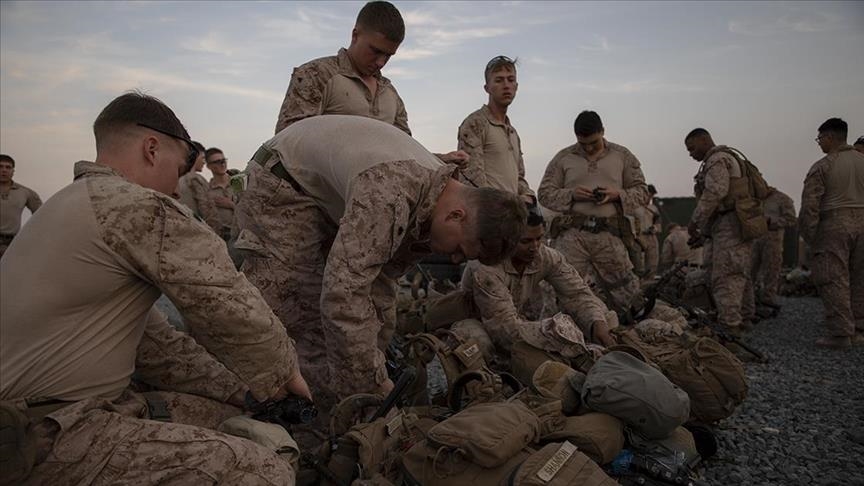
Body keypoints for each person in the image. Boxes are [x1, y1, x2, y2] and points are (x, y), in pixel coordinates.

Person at [0, 92, 310, 484]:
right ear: (151, 149)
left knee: (237, 419)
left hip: (47, 419)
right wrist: (285, 376)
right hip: (43, 436)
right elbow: (229, 303)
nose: (177, 189)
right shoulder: (134, 206)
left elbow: (157, 349)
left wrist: (245, 394)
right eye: (179, 170)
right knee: (265, 472)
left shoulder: (72, 205)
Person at [234, 115, 526, 415]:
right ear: (456, 216)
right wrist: (370, 389)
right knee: (301, 317)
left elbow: (379, 285)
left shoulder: (432, 201)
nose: (454, 260)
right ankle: (299, 422)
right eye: (460, 251)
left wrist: (378, 359)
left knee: (359, 328)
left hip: (318, 196)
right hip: (280, 185)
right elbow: (343, 298)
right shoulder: (390, 195)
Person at [461, 202, 617, 355]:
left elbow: (577, 294)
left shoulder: (546, 257)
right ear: (506, 238)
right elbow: (504, 329)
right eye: (526, 241)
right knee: (478, 345)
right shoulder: (486, 265)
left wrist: (596, 323)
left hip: (514, 321)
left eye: (539, 238)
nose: (535, 247)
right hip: (477, 322)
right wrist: (559, 335)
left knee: (602, 316)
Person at [537, 110, 649, 316]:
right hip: (572, 236)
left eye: (594, 143)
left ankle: (629, 328)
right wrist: (571, 194)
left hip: (609, 235)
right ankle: (557, 329)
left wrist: (617, 195)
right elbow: (544, 194)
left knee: (626, 291)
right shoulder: (563, 158)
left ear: (603, 132)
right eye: (583, 144)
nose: (588, 148)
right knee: (559, 287)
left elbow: (642, 192)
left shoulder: (622, 156)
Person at [275, 1, 409, 135]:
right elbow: (289, 140)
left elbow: (405, 144)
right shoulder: (316, 75)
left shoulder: (391, 94)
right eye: (375, 51)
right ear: (355, 35)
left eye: (388, 55)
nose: (381, 62)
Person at [799, 117, 864, 349]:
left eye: (820, 139)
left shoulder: (823, 165)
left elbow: (810, 205)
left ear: (829, 137)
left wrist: (810, 236)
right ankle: (859, 330)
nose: (819, 143)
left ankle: (840, 334)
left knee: (833, 279)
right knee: (860, 279)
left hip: (835, 223)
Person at [684, 128, 756, 336]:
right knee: (737, 272)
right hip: (729, 224)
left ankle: (730, 329)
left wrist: (695, 221)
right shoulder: (725, 158)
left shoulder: (717, 160)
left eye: (692, 148)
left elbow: (715, 192)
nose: (691, 154)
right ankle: (744, 318)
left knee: (726, 276)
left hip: (729, 225)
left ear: (704, 140)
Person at [457, 56, 534, 202]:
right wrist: (500, 205)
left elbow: (519, 178)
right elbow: (472, 178)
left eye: (510, 80)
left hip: (513, 212)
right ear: (487, 88)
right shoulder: (475, 124)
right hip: (488, 210)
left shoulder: (513, 133)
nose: (506, 85)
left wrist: (529, 197)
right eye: (499, 80)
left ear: (516, 86)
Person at [751, 187, 796, 308]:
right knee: (750, 269)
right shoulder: (755, 198)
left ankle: (768, 298)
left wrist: (773, 222)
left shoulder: (782, 199)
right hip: (755, 237)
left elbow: (791, 219)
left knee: (771, 269)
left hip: (773, 238)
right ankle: (749, 299)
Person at [0, 154, 42, 258]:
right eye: (0, 166)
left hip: (10, 245)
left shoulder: (24, 192)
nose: (4, 170)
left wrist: (30, 235)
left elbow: (43, 214)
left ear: (13, 171)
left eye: (8, 167)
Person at [176, 141, 219, 228]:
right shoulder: (196, 179)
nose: (204, 162)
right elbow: (207, 212)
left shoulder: (177, 178)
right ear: (195, 156)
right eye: (202, 158)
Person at [204, 147, 237, 242]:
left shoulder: (238, 184)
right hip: (220, 238)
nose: (222, 164)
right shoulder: (207, 190)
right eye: (217, 162)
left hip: (242, 235)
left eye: (223, 160)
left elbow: (251, 210)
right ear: (209, 166)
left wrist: (231, 205)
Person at [634, 184, 661, 280]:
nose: (649, 198)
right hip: (637, 238)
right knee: (638, 264)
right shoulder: (634, 207)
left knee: (652, 264)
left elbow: (658, 222)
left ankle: (649, 281)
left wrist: (655, 228)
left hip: (651, 237)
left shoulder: (653, 208)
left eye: (651, 196)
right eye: (648, 195)